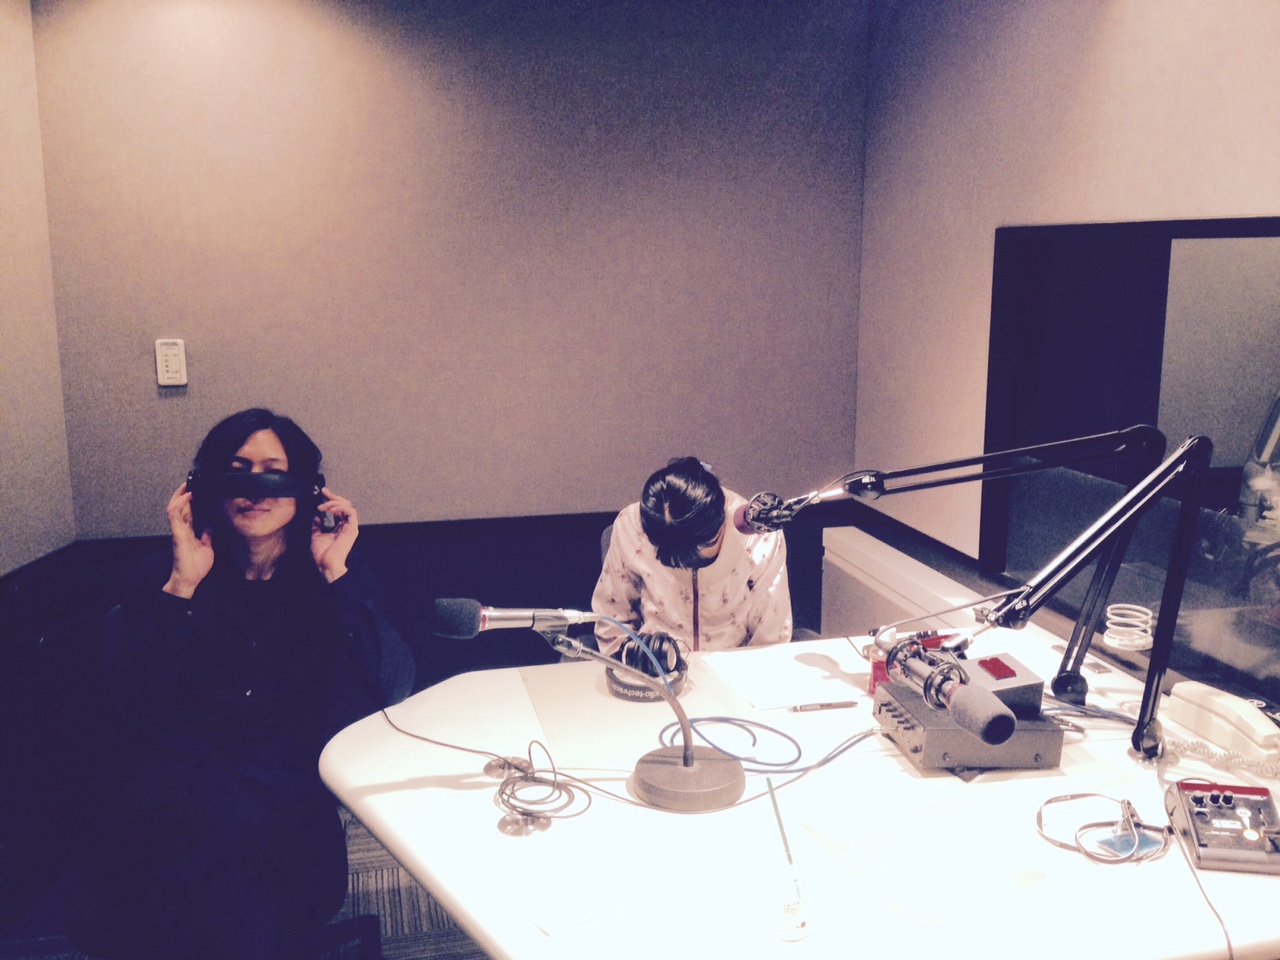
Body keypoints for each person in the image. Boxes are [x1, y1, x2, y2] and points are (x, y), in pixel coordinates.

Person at [69, 408, 415, 960]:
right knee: (219, 850)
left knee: (242, 863)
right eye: (237, 472)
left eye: (273, 472)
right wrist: (182, 587)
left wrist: (337, 574)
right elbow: (132, 712)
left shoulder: (328, 576)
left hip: (286, 783)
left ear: (306, 490)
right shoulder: (161, 576)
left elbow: (390, 684)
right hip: (177, 786)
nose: (255, 489)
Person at [591, 457, 792, 656]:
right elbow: (612, 620)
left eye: (705, 545)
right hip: (656, 665)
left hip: (735, 666)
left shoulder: (759, 537)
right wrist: (634, 661)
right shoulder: (631, 527)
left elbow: (771, 636)